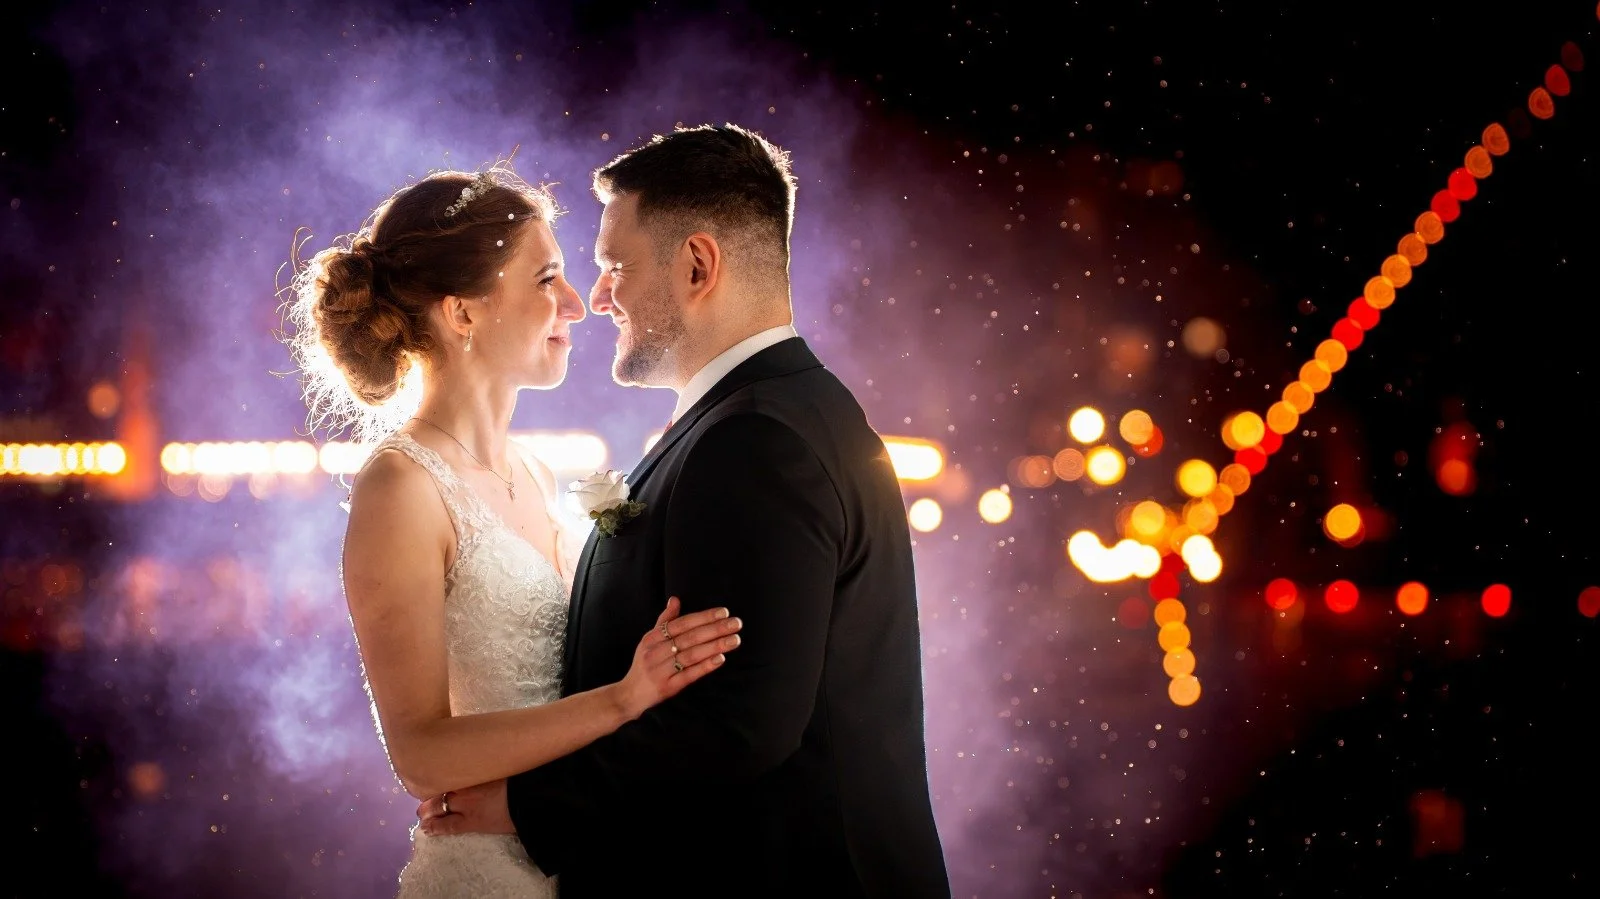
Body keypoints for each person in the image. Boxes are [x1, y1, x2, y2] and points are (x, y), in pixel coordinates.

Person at [417, 125, 951, 896]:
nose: (597, 299)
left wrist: (526, 806)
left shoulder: (759, 440)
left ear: (698, 264)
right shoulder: (769, 416)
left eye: (613, 267)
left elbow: (741, 722)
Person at [283, 166, 745, 898]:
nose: (575, 304)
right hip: (485, 871)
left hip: (578, 849)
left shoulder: (532, 471)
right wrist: (624, 699)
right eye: (547, 278)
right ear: (462, 313)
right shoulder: (401, 486)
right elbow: (421, 755)